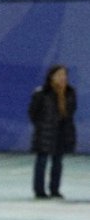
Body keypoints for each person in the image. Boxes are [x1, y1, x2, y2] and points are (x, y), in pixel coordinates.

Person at [29, 65, 75, 200]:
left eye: (64, 75)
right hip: (45, 132)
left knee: (58, 162)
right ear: (51, 76)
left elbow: (71, 112)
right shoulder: (41, 93)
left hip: (62, 132)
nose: (62, 77)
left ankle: (55, 189)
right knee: (42, 161)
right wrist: (43, 125)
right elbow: (33, 112)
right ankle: (39, 191)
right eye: (59, 75)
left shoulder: (70, 92)